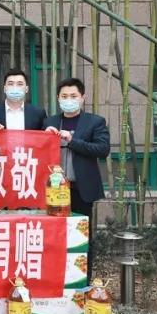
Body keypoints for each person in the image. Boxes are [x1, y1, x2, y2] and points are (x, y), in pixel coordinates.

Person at [43, 77, 110, 219]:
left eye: (73, 96)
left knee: (81, 228)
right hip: (54, 186)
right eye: (64, 96)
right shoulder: (50, 122)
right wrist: (44, 137)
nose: (69, 100)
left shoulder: (95, 121)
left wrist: (72, 141)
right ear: (58, 98)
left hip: (81, 187)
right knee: (56, 227)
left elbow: (103, 149)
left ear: (82, 98)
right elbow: (38, 150)